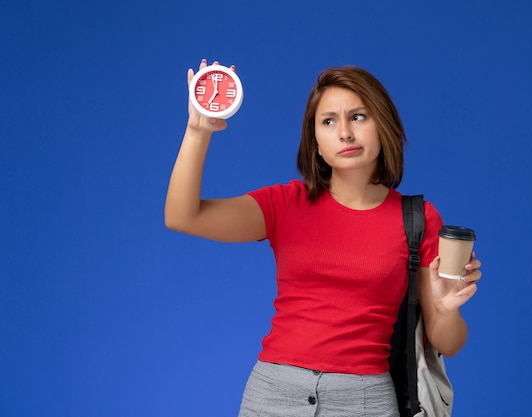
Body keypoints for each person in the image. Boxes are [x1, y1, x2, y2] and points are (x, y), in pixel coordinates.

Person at [165, 59, 482, 417]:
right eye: (328, 121)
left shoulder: (418, 219)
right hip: (273, 397)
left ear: (384, 126)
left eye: (358, 117)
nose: (344, 133)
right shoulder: (285, 204)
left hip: (365, 402)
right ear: (315, 141)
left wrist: (446, 310)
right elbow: (182, 216)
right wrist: (197, 130)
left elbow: (448, 344)